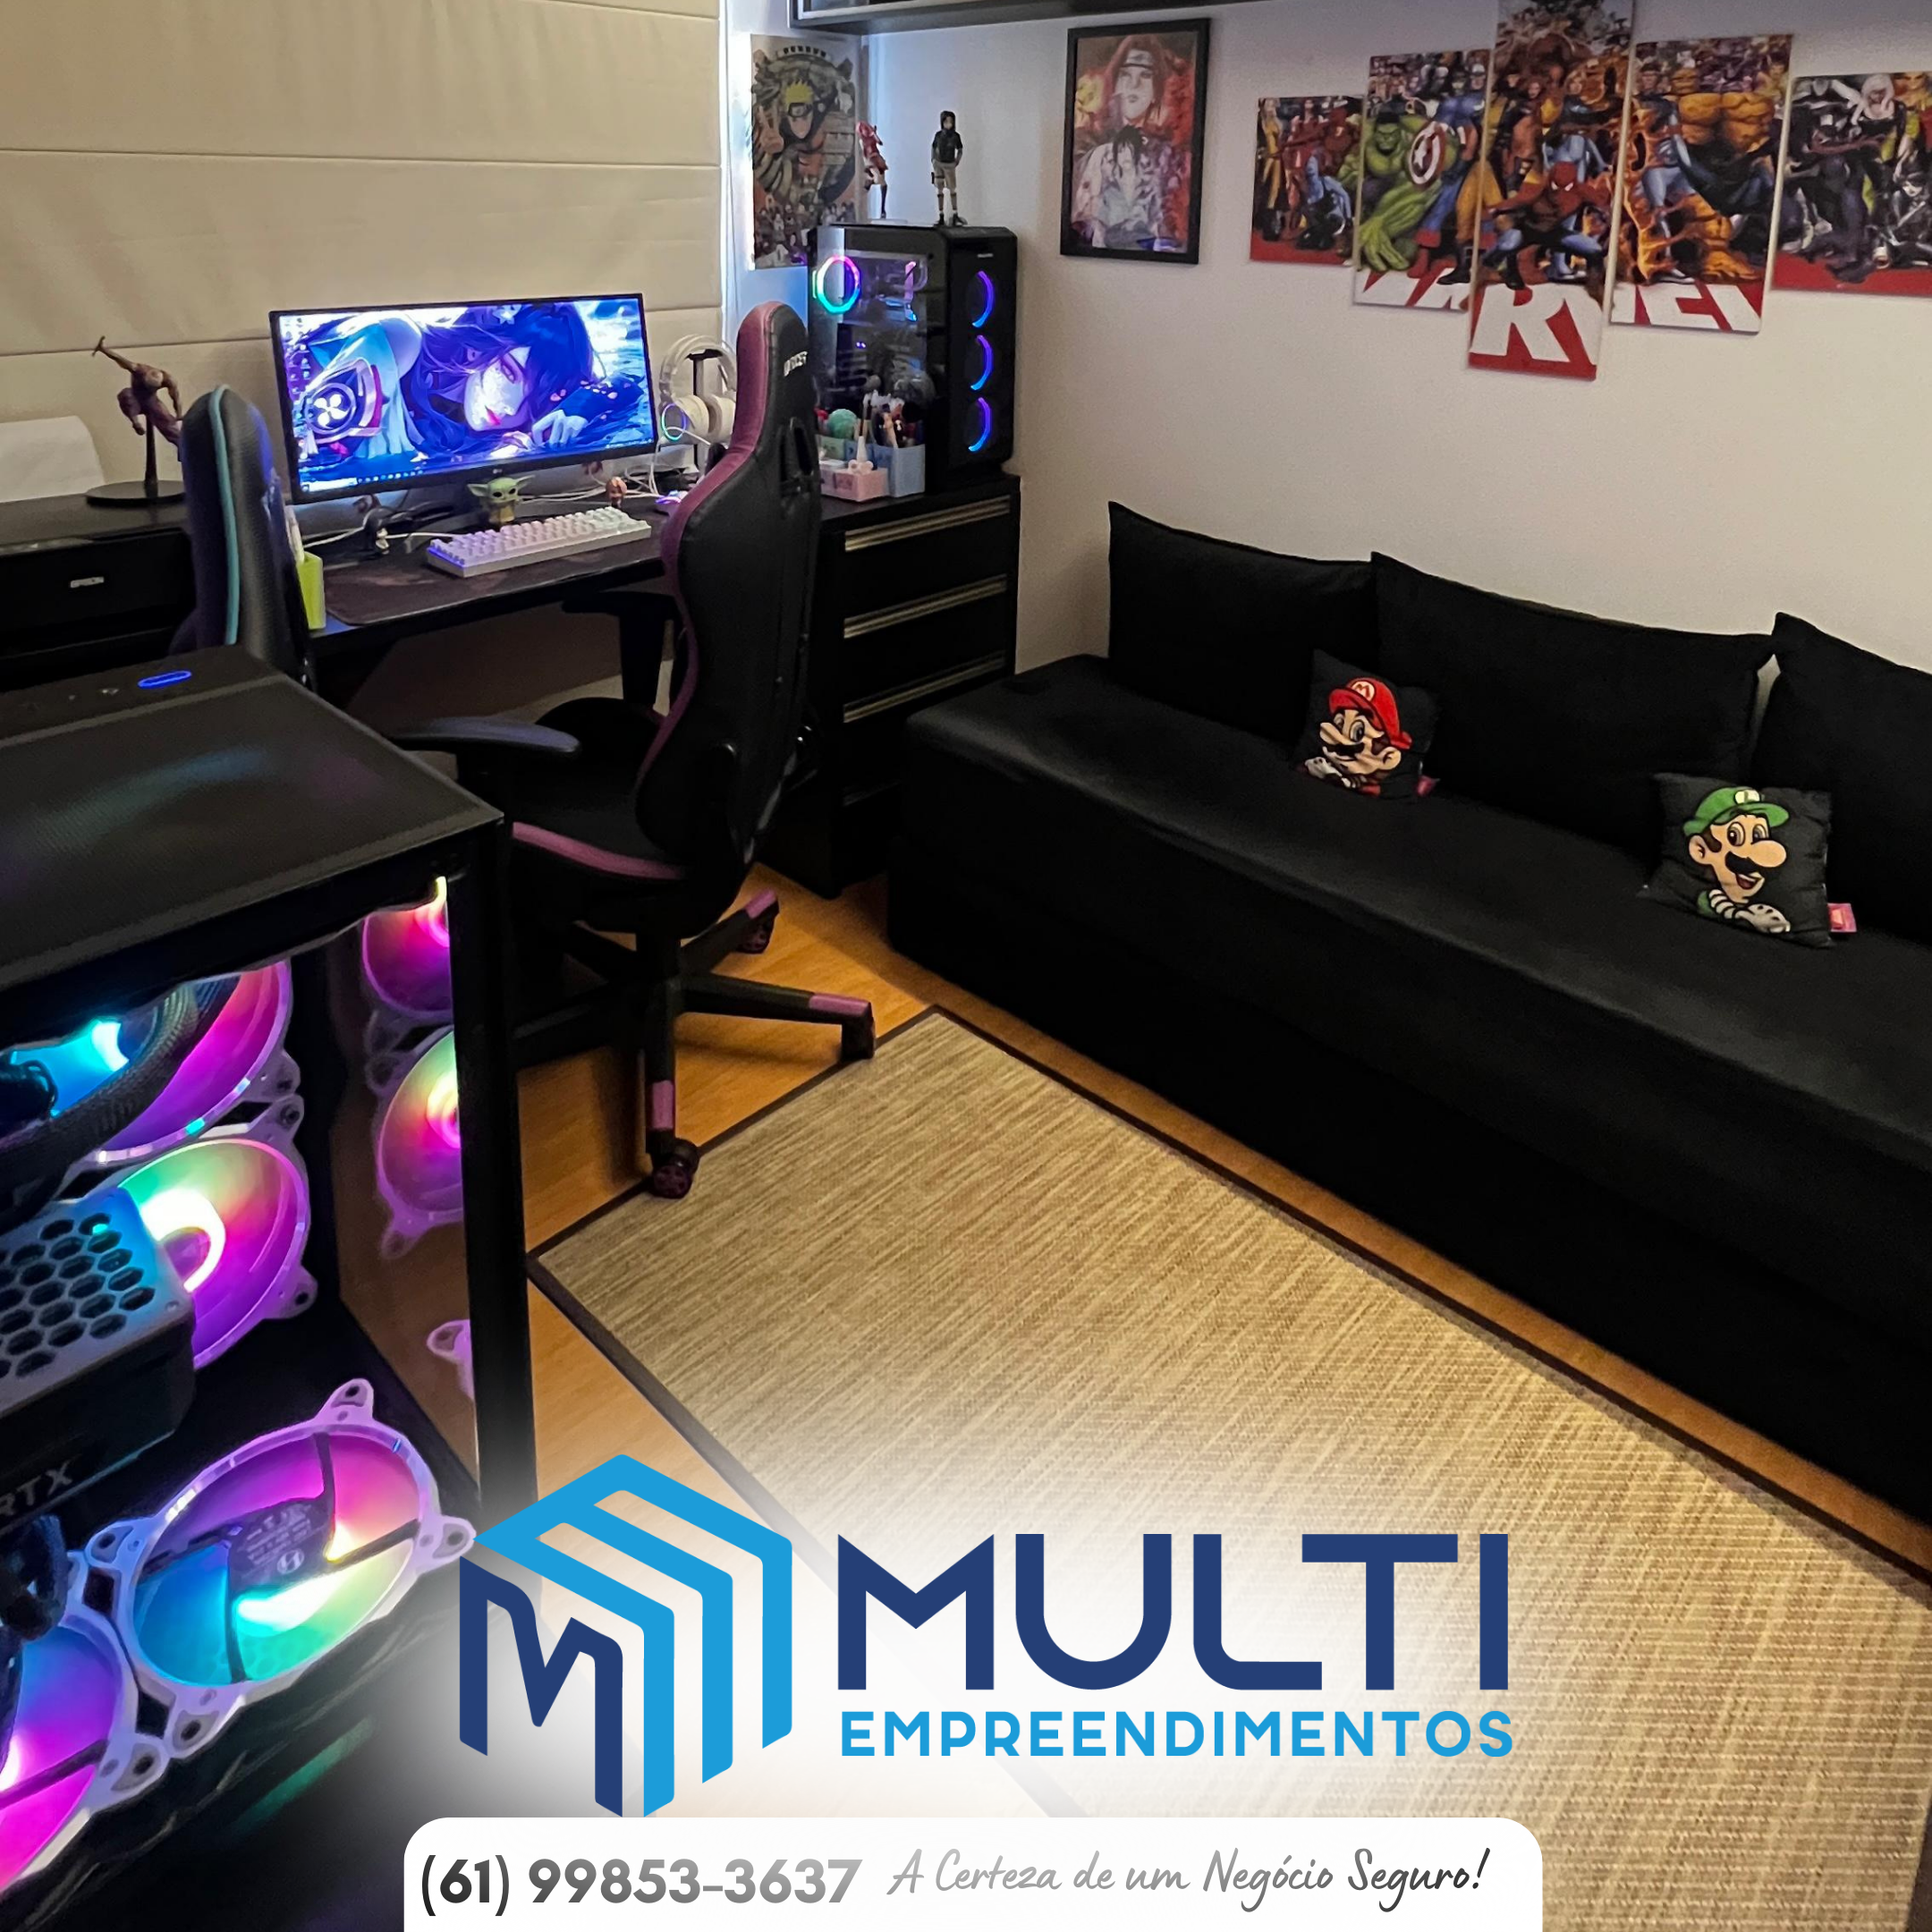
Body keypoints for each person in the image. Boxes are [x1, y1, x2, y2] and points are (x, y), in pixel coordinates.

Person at [932, 111, 963, 225]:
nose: (948, 124)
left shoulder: (955, 136)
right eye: (946, 121)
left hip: (950, 165)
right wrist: (933, 160)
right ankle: (941, 215)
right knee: (939, 189)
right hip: (939, 164)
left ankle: (955, 214)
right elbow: (933, 147)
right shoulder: (938, 135)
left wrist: (957, 161)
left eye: (950, 122)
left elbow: (960, 149)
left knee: (952, 189)